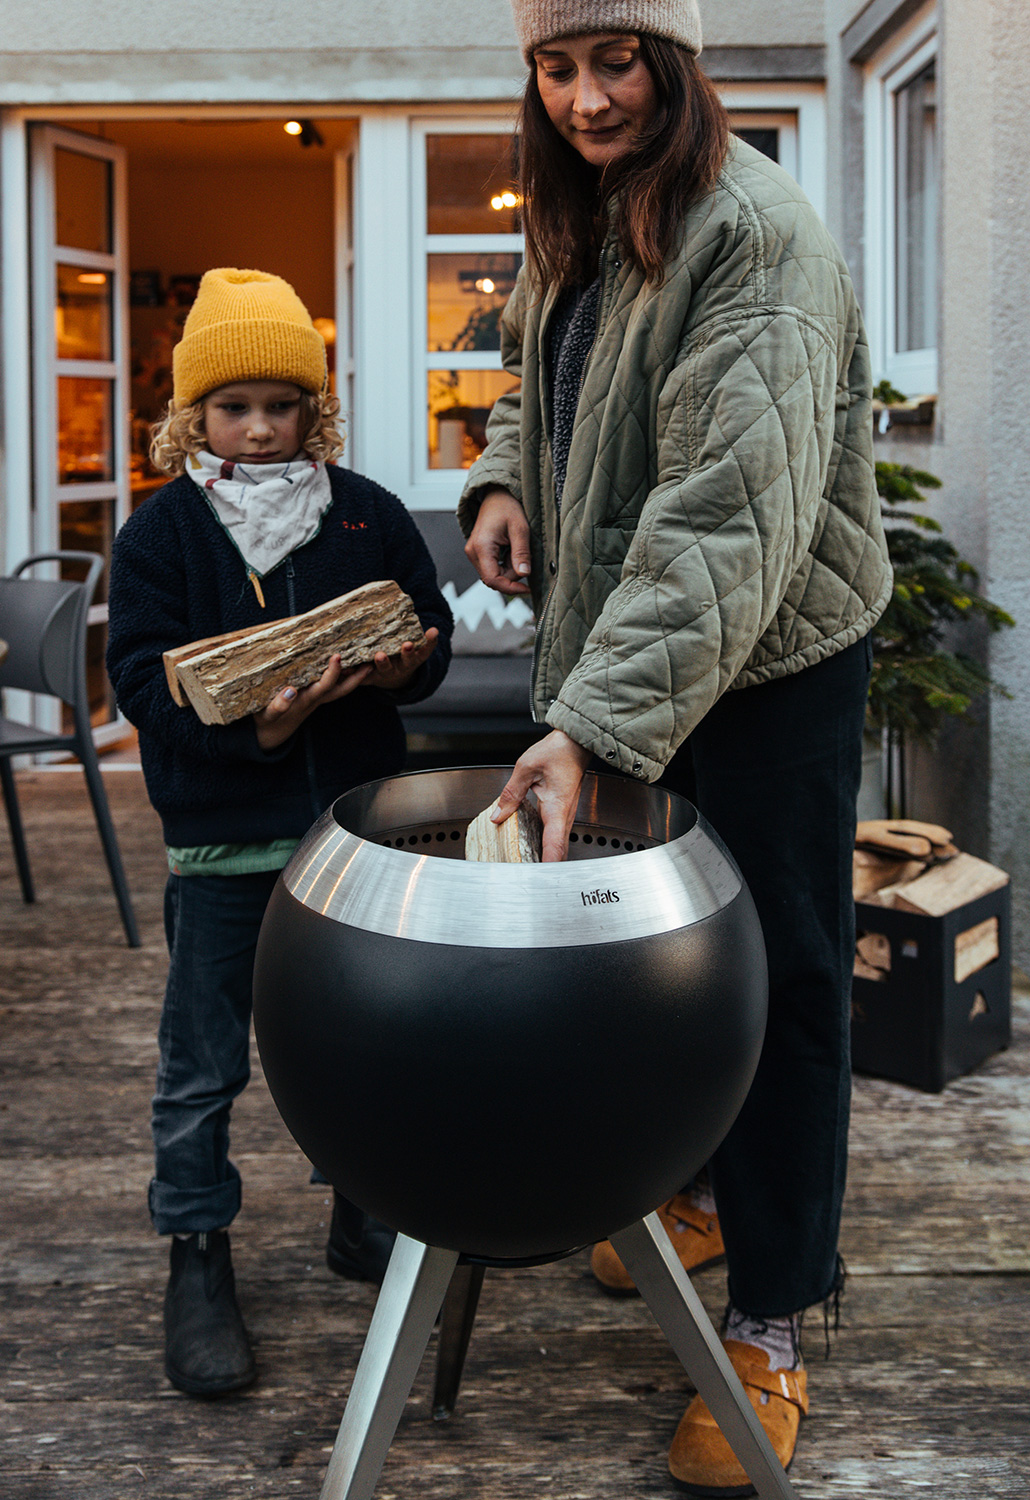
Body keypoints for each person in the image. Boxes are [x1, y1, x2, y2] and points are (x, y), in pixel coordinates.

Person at [462, 4, 891, 1492]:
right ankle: (700, 1188)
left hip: (772, 656)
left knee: (779, 973)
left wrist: (587, 723)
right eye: (555, 66)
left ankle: (773, 1320)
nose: (585, 98)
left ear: (679, 60)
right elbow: (543, 369)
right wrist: (507, 478)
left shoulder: (754, 235)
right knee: (660, 952)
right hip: (646, 653)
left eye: (616, 60)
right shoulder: (583, 209)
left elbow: (724, 519)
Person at [107, 268, 453, 1398]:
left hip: (353, 842)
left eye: (283, 406)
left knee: (363, 1040)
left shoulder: (365, 513)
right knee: (204, 1063)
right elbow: (141, 686)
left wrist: (408, 660)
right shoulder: (162, 533)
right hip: (225, 849)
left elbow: (428, 629)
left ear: (317, 412)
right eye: (233, 407)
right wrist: (258, 727)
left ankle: (362, 1218)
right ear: (192, 417)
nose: (259, 430)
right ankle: (195, 1253)